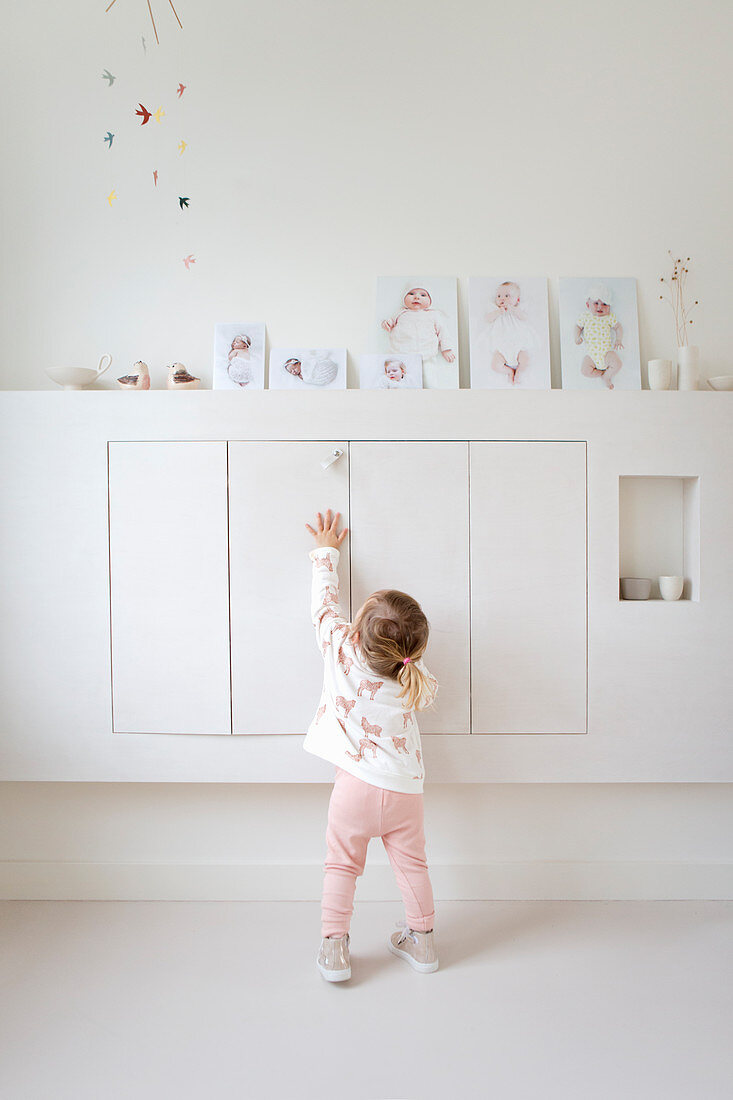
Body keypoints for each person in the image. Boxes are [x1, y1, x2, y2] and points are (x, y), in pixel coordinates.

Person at [304, 508, 440, 982]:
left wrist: (326, 553)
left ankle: (335, 949)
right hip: (405, 791)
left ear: (357, 629)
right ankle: (422, 942)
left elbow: (324, 608)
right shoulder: (410, 675)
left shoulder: (340, 647)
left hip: (355, 789)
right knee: (412, 865)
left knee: (341, 865)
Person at [381, 284, 456, 389]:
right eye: (411, 294)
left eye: (423, 295)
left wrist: (446, 349)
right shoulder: (401, 312)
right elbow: (390, 322)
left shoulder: (433, 315)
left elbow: (443, 331)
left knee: (429, 379)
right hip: (402, 354)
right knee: (405, 380)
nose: (416, 297)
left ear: (430, 301)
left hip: (426, 355)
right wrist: (386, 323)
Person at [482, 281, 537, 386]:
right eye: (499, 296)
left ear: (517, 300)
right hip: (501, 348)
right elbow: (487, 319)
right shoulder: (496, 310)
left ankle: (518, 373)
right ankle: (509, 371)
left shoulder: (517, 310)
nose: (502, 298)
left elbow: (525, 317)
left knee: (527, 360)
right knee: (495, 366)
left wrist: (513, 309)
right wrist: (498, 312)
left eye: (507, 296)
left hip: (519, 346)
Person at [575, 284, 624, 389]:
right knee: (584, 371)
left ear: (609, 306)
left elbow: (618, 327)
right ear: (588, 305)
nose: (600, 307)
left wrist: (618, 339)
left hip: (606, 353)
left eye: (605, 304)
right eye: (596, 303)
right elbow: (578, 327)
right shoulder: (586, 316)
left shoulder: (609, 317)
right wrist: (577, 337)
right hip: (591, 355)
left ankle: (607, 376)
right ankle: (601, 374)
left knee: (618, 364)